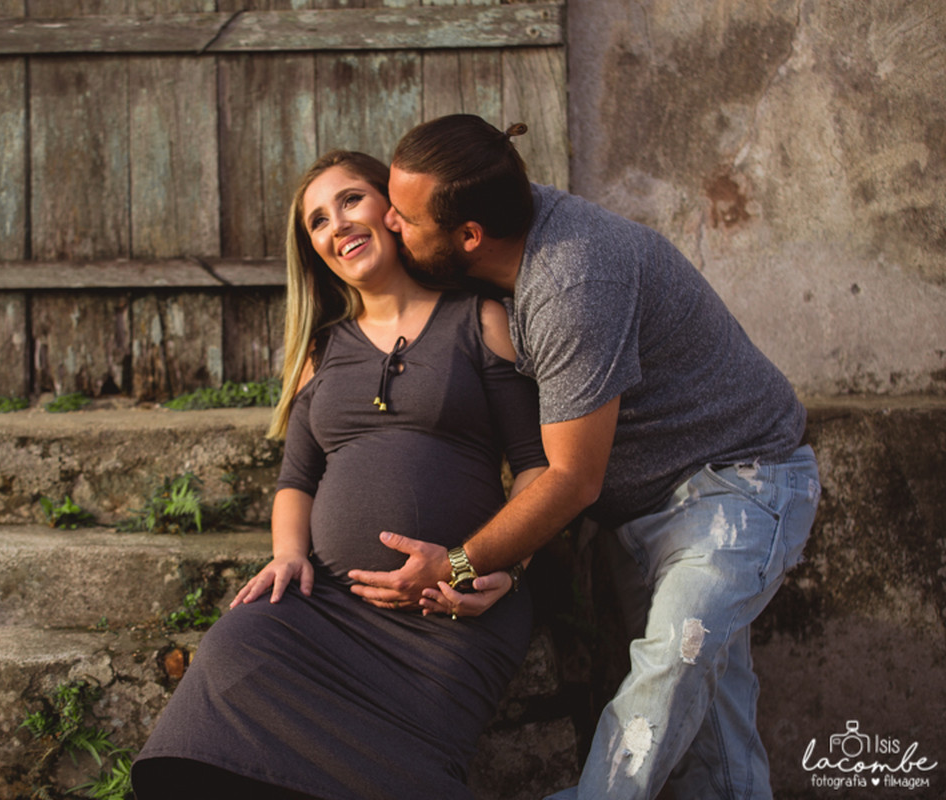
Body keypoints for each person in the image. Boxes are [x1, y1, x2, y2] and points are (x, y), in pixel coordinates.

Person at [347, 114, 821, 800]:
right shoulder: (498, 233)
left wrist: (458, 563)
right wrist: (508, 556)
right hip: (644, 511)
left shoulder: (570, 281)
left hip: (740, 488)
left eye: (405, 217)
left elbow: (570, 477)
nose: (390, 222)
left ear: (469, 236)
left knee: (674, 665)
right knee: (713, 748)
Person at [129, 149, 549, 800]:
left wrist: (489, 568)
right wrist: (287, 554)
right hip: (325, 607)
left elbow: (535, 469)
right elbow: (296, 480)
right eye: (317, 221)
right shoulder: (321, 352)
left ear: (394, 209)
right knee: (237, 645)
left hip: (451, 611)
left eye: (350, 200)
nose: (337, 225)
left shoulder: (479, 319)